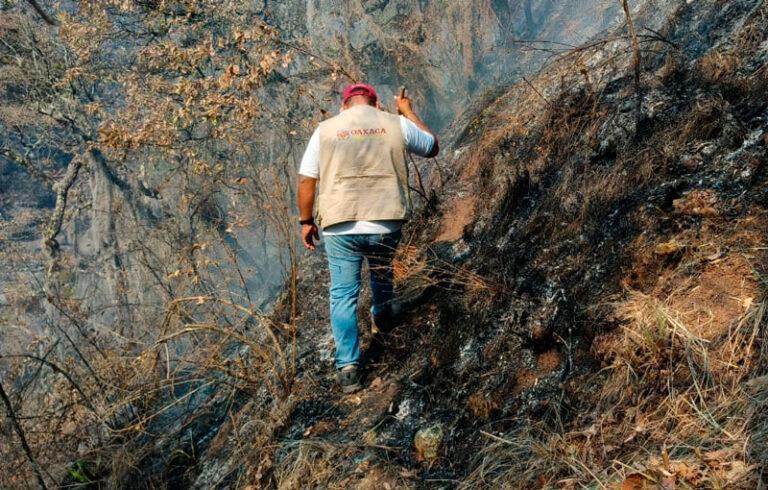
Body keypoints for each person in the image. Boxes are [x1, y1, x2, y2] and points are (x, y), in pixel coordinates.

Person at [297, 83, 439, 393]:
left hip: (340, 224)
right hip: (385, 220)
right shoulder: (395, 123)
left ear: (343, 106)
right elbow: (432, 146)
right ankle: (382, 314)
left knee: (343, 293)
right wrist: (407, 111)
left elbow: (308, 178)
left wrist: (306, 221)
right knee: (381, 268)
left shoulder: (325, 129)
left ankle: (348, 365)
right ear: (376, 105)